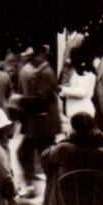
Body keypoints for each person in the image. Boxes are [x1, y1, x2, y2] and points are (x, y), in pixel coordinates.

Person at [16, 45, 62, 190]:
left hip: (42, 122)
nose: (30, 61)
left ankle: (49, 184)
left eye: (33, 57)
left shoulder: (45, 73)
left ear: (40, 56)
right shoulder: (42, 71)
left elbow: (42, 99)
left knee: (33, 153)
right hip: (41, 121)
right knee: (35, 153)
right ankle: (43, 183)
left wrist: (20, 100)